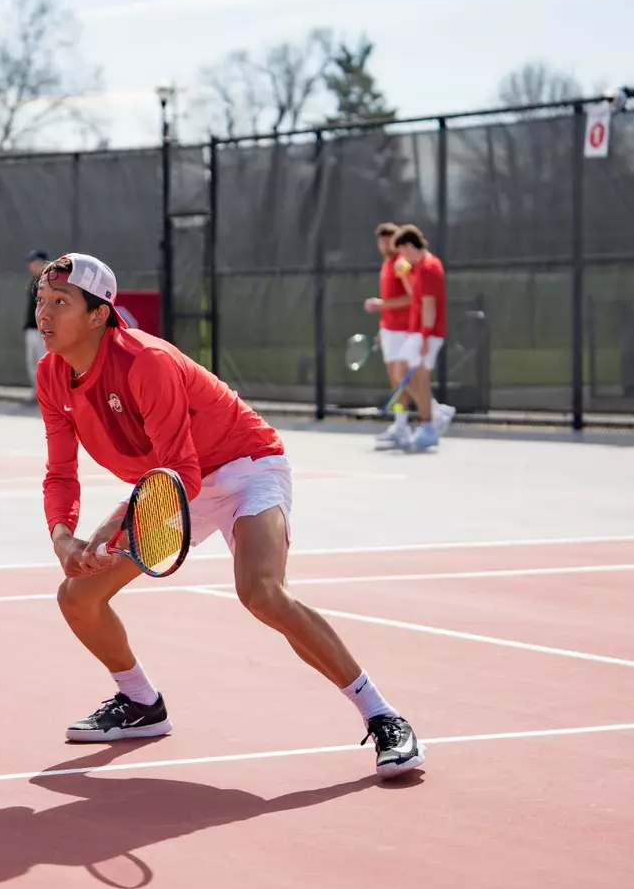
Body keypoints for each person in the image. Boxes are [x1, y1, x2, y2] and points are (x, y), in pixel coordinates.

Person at [35, 253, 424, 778]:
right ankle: (141, 702)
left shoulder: (146, 361)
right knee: (77, 596)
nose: (45, 313)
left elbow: (180, 474)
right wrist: (63, 538)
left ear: (100, 314)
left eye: (61, 303)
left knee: (262, 593)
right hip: (174, 481)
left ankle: (383, 716)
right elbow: (61, 472)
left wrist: (106, 531)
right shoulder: (51, 374)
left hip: (244, 464)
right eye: (42, 300)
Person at [391, 226, 453, 452]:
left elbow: (429, 304)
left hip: (425, 333)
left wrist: (425, 336)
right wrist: (405, 274)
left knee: (416, 377)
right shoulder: (420, 268)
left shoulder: (427, 268)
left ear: (409, 246)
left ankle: (429, 426)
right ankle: (435, 414)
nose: (402, 258)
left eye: (403, 252)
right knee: (404, 374)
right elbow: (416, 296)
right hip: (419, 331)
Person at [362, 223, 416, 448]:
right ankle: (400, 424)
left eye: (390, 239)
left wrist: (381, 304)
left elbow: (413, 297)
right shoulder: (386, 265)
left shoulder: (401, 265)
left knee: (402, 378)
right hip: (390, 330)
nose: (385, 244)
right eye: (381, 240)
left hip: (404, 330)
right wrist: (381, 331)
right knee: (395, 380)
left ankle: (433, 413)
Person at [24, 248, 50, 390]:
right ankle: (37, 394)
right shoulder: (34, 281)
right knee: (32, 363)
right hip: (31, 328)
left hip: (43, 330)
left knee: (43, 363)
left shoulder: (49, 281)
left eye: (34, 261)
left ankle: (47, 396)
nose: (31, 265)